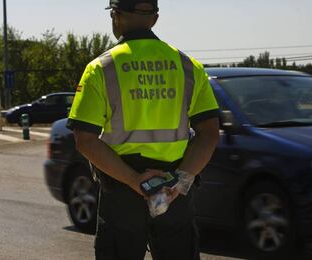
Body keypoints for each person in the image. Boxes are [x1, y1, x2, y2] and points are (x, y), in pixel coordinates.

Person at [66, 0, 220, 259]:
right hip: (173, 194)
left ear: (115, 16)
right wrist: (179, 183)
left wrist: (133, 180)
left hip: (122, 194)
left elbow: (85, 141)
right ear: (155, 18)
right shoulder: (188, 67)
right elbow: (209, 134)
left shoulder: (100, 69)